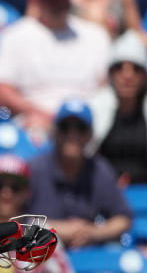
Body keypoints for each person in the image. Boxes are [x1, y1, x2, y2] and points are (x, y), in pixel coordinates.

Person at [0, 0, 110, 139]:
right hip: (36, 125)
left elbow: (106, 88)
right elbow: (1, 92)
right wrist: (44, 116)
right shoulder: (14, 36)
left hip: (87, 123)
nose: (60, 0)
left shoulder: (96, 35)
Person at [27, 98, 132, 249]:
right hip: (40, 253)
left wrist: (93, 232)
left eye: (80, 128)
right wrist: (57, 229)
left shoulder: (100, 170)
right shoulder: (34, 169)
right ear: (55, 133)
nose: (72, 135)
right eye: (65, 127)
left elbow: (123, 219)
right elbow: (12, 218)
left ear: (90, 135)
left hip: (89, 253)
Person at [88, 30, 147, 189]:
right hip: (104, 195)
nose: (127, 75)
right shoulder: (94, 107)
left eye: (136, 68)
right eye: (120, 67)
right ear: (111, 73)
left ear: (145, 76)